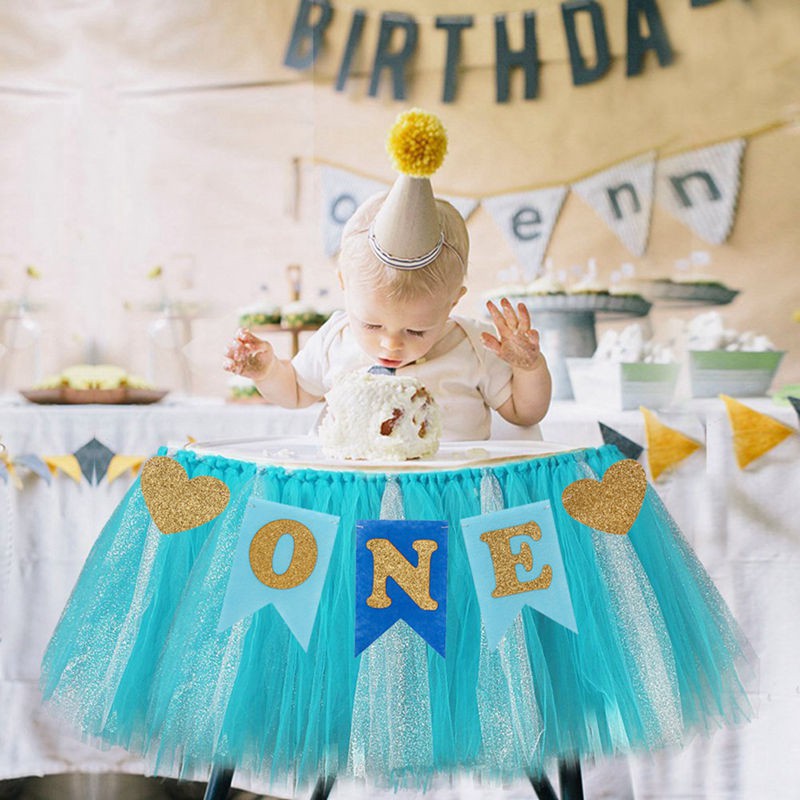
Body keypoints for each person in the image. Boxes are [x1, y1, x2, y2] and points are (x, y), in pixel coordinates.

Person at [224, 109, 552, 440]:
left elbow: (525, 413)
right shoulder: (335, 339)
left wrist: (529, 368)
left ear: (453, 302)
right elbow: (295, 391)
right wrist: (267, 372)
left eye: (416, 330)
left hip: (444, 489)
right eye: (371, 325)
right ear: (343, 285)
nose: (391, 344)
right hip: (354, 486)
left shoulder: (472, 347)